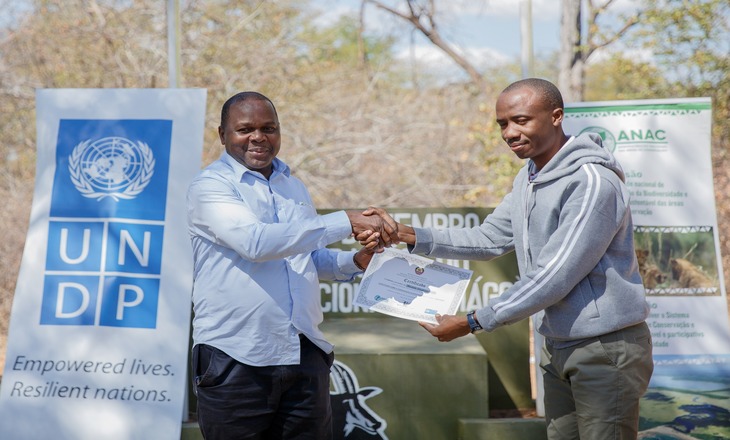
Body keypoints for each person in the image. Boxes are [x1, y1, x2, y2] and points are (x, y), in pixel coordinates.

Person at [361, 78, 653, 439]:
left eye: (521, 120)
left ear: (556, 116)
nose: (510, 133)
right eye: (503, 124)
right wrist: (406, 235)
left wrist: (473, 321)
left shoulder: (592, 182)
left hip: (604, 348)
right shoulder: (528, 178)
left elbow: (554, 276)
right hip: (558, 344)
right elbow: (488, 238)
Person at [186, 91, 396, 440]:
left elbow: (305, 258)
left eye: (268, 128)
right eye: (245, 129)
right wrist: (346, 221)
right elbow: (255, 243)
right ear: (222, 135)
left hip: (303, 353)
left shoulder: (292, 186)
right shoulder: (209, 186)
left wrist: (357, 260)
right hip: (235, 357)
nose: (258, 137)